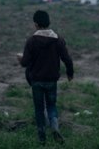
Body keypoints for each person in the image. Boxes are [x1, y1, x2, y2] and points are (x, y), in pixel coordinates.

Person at [17, 10, 74, 145]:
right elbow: (67, 59)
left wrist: (20, 58)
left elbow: (25, 63)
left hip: (36, 80)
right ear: (49, 23)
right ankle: (55, 127)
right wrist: (70, 74)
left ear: (35, 24)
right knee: (51, 106)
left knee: (39, 108)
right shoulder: (58, 40)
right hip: (51, 80)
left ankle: (41, 136)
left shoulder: (31, 41)